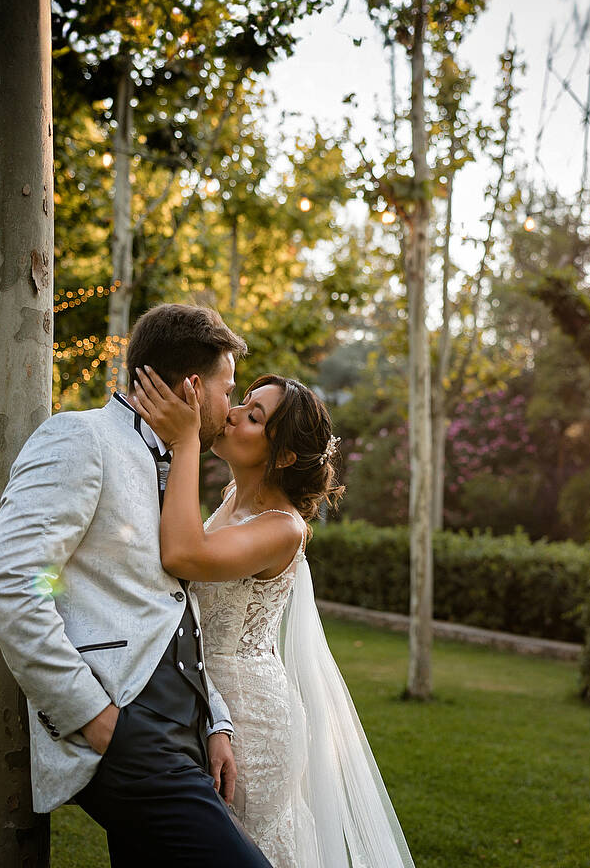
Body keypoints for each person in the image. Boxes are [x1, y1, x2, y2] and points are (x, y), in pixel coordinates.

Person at [0, 303, 272, 867]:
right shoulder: (80, 438)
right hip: (125, 726)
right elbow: (11, 582)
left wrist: (217, 721)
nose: (230, 407)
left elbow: (173, 606)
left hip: (184, 734)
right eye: (227, 389)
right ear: (191, 387)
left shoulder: (172, 466)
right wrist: (94, 717)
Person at [129, 365, 414, 868]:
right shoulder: (232, 500)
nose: (233, 413)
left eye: (254, 416)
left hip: (250, 717)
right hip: (201, 698)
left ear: (283, 454)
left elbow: (183, 556)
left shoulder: (284, 528)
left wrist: (186, 440)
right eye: (243, 403)